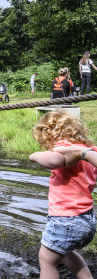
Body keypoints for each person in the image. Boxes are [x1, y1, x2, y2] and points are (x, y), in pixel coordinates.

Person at [29, 109, 97, 279]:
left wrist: (35, 155)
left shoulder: (65, 148)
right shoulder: (89, 151)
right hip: (86, 220)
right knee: (65, 251)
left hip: (66, 219)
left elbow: (54, 161)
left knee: (47, 260)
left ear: (50, 135)